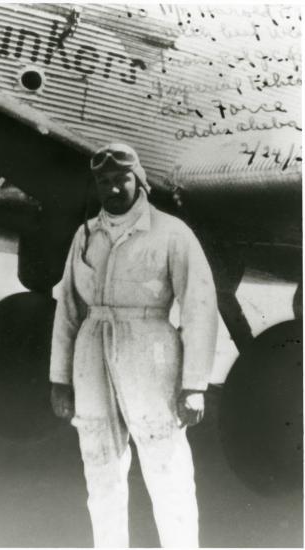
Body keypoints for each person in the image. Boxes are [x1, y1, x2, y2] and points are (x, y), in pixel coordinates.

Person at [49, 142, 218, 548]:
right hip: (92, 354)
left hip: (150, 351)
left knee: (166, 464)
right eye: (103, 181)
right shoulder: (86, 234)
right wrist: (60, 377)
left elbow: (199, 305)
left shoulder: (171, 233)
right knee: (100, 465)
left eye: (120, 179)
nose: (112, 188)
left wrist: (194, 383)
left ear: (139, 180)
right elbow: (69, 307)